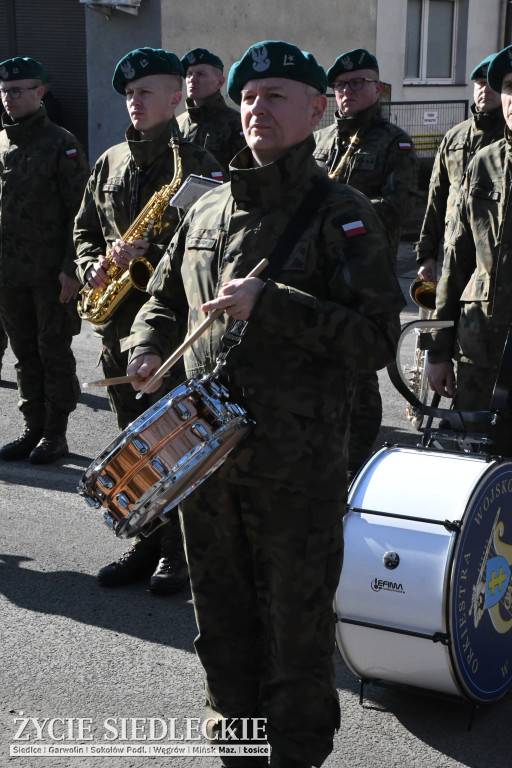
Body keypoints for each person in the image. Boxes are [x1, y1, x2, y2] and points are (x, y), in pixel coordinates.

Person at [124, 40, 405, 768]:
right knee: (221, 627)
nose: (257, 109)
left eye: (276, 96)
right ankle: (238, 751)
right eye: (248, 97)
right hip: (205, 467)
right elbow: (162, 301)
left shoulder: (342, 213)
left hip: (295, 472)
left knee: (296, 635)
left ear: (316, 111)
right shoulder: (207, 208)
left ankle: (297, 757)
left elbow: (376, 340)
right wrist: (146, 349)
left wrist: (273, 304)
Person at [74, 47, 224, 595]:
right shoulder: (110, 160)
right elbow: (84, 229)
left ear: (175, 98)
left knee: (176, 445)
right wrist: (92, 264)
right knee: (131, 446)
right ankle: (147, 541)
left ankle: (181, 555)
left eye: (146, 92)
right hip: (118, 325)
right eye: (130, 94)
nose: (135, 102)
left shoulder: (202, 164)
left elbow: (210, 247)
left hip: (172, 332)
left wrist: (149, 251)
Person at [314, 48, 417, 479]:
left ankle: (356, 468)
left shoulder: (395, 141)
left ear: (377, 88)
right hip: (316, 274)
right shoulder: (320, 140)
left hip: (364, 275)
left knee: (360, 372)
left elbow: (397, 207)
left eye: (357, 83)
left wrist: (336, 213)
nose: (347, 91)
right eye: (340, 85)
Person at [0, 57, 89, 464]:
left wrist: (72, 268)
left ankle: (56, 434)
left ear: (40, 92)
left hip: (50, 275)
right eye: (4, 91)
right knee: (24, 354)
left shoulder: (61, 143)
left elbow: (81, 214)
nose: (9, 98)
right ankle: (32, 427)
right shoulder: (3, 143)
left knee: (52, 351)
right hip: (9, 274)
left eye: (18, 90)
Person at [427, 45, 512, 456]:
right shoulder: (484, 163)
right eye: (509, 86)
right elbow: (457, 261)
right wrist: (437, 350)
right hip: (479, 353)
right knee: (474, 465)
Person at [415, 53, 504, 284]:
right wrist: (427, 255)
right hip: (453, 253)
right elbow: (436, 197)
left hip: (496, 261)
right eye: (480, 83)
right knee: (445, 307)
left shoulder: (507, 139)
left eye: (492, 84)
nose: (485, 90)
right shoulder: (455, 137)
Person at [177, 47, 246, 173]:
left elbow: (244, 173)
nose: (192, 79)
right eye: (189, 74)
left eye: (200, 74)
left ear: (220, 82)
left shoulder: (237, 124)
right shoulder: (177, 124)